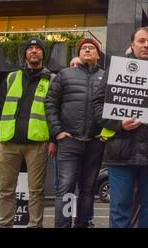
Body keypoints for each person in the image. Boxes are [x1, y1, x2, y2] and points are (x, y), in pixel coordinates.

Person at [93, 27, 148, 228]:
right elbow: (97, 106)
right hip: (121, 151)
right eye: (141, 41)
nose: (146, 45)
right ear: (132, 44)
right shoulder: (115, 70)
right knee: (120, 208)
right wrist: (119, 125)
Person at [0, 37, 56, 228]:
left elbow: (55, 112)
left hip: (37, 144)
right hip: (8, 143)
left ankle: (35, 225)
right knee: (5, 189)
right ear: (25, 54)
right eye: (30, 48)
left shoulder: (52, 80)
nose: (33, 51)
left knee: (36, 190)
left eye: (38, 48)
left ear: (43, 55)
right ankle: (4, 224)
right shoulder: (12, 77)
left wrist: (53, 139)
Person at [45, 38, 105, 228]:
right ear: (79, 53)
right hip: (69, 141)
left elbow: (112, 106)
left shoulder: (107, 76)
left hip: (95, 142)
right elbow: (50, 104)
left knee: (87, 190)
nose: (87, 50)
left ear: (98, 54)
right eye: (84, 48)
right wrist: (58, 131)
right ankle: (63, 225)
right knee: (66, 189)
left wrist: (105, 131)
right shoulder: (65, 74)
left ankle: (83, 224)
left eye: (91, 48)